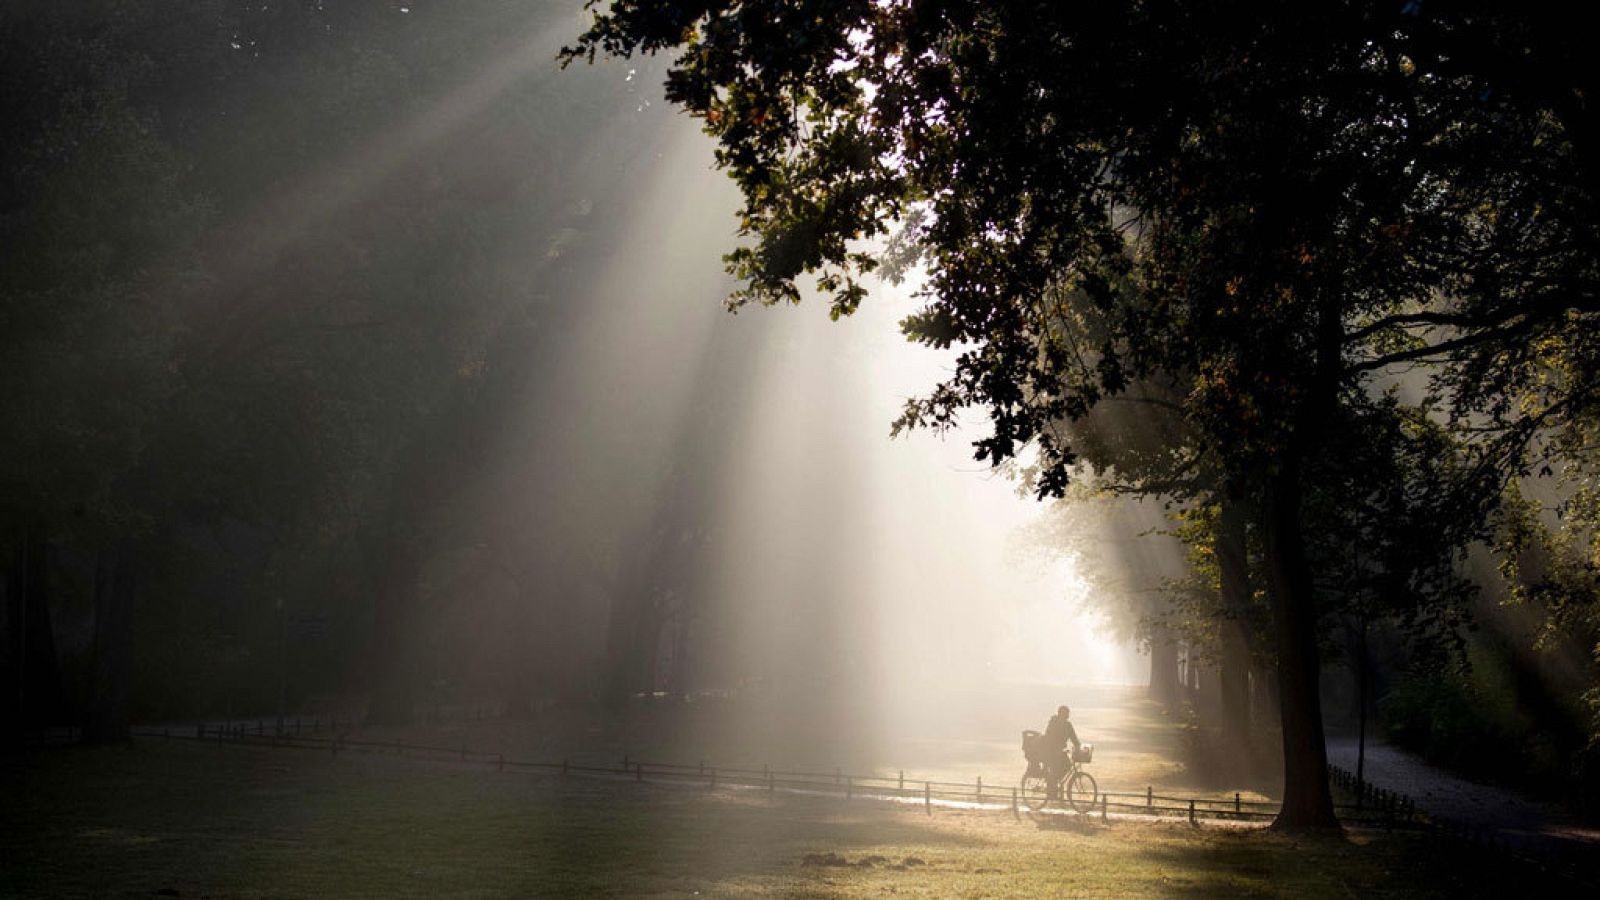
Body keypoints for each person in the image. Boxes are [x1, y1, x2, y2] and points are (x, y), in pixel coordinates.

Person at [1043, 705, 1081, 787]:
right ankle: (1051, 784)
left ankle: (1054, 781)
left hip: (1060, 750)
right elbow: (1048, 736)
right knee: (1055, 768)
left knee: (1067, 765)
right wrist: (1055, 747)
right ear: (1061, 714)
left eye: (1068, 714)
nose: (1068, 715)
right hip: (1050, 750)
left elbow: (1074, 737)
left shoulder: (1068, 725)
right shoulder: (1053, 723)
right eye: (1066, 713)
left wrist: (1078, 746)